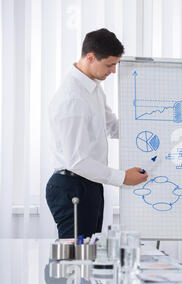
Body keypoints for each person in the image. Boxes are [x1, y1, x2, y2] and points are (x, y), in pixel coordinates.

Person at [46, 28, 148, 239]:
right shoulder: (72, 98)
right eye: (110, 65)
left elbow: (113, 126)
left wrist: (151, 132)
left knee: (88, 256)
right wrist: (123, 178)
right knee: (75, 259)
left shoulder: (92, 89)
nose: (113, 72)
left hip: (88, 185)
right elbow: (77, 160)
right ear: (91, 58)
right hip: (73, 186)